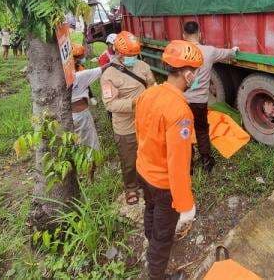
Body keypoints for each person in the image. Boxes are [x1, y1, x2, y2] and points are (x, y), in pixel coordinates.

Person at [134, 40, 203, 280]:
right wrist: (185, 204)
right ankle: (157, 274)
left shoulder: (148, 94)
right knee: (163, 237)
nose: (195, 77)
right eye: (195, 73)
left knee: (150, 209)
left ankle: (150, 238)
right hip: (164, 184)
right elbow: (178, 164)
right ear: (187, 74)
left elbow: (140, 133)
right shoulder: (180, 112)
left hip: (143, 170)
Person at [101, 31, 155, 205]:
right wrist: (135, 103)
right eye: (128, 55)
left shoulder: (143, 66)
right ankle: (131, 188)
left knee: (148, 155)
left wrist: (153, 94)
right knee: (129, 160)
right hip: (125, 127)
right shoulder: (108, 75)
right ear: (118, 52)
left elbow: (152, 85)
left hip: (146, 122)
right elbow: (110, 105)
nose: (132, 58)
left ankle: (148, 182)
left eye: (134, 54)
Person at [182, 21, 238, 172]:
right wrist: (234, 50)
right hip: (200, 102)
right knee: (201, 130)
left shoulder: (180, 53)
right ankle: (207, 161)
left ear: (184, 35)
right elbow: (228, 53)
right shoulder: (210, 51)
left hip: (182, 101)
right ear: (200, 34)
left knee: (184, 132)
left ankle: (188, 165)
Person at [71, 44, 111, 150]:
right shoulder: (79, 75)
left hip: (75, 112)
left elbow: (86, 85)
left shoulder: (76, 70)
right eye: (81, 57)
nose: (82, 58)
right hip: (80, 114)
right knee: (89, 140)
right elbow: (99, 70)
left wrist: (91, 96)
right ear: (74, 58)